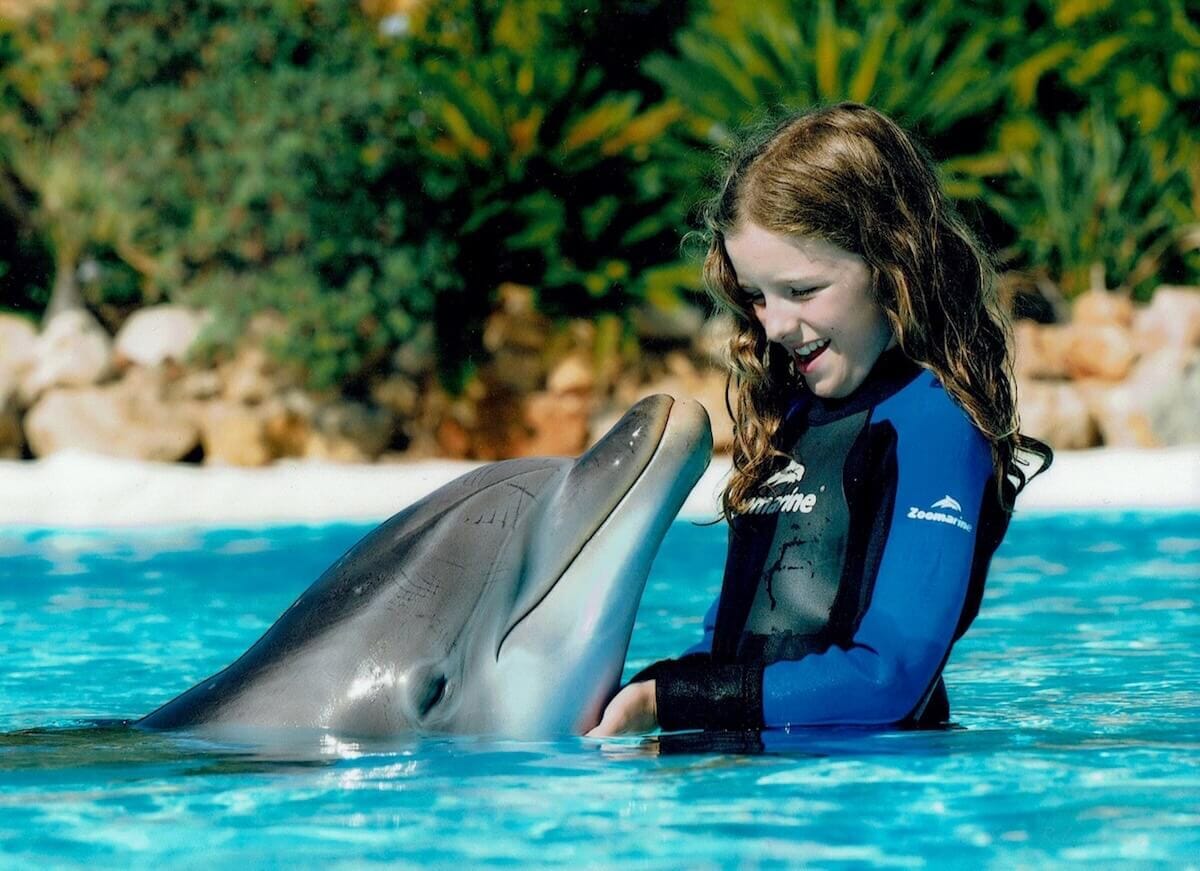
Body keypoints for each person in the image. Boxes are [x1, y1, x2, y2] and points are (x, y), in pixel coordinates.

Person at [586, 102, 1053, 738]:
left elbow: (889, 678)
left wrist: (673, 703)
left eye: (801, 292)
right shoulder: (794, 419)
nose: (774, 326)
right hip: (768, 797)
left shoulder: (936, 424)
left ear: (893, 266)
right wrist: (652, 690)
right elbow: (727, 650)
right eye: (756, 296)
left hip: (872, 806)